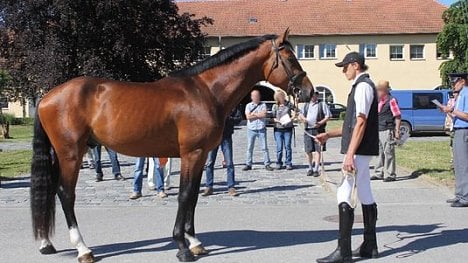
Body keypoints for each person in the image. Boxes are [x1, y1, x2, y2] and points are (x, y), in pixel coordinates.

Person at [316, 52, 379, 263]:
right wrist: (329, 134)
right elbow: (352, 125)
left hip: (359, 151)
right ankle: (370, 246)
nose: (344, 71)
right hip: (362, 149)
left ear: (355, 65)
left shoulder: (362, 87)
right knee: (365, 194)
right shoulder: (362, 86)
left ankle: (343, 251)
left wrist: (350, 154)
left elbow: (360, 123)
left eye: (345, 67)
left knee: (344, 193)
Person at [441, 72, 468, 208]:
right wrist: (448, 110)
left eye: (455, 82)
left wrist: (453, 110)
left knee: (463, 165)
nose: (452, 85)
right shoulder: (461, 95)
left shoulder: (467, 94)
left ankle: (465, 197)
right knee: (458, 165)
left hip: (464, 131)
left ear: (462, 81)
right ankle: (459, 194)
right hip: (458, 130)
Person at [202, 108, 242, 197]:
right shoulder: (213, 105)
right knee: (209, 163)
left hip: (226, 137)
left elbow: (238, 119)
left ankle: (231, 187)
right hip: (213, 137)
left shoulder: (232, 106)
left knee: (229, 163)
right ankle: (209, 186)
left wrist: (228, 118)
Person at [372, 80, 401, 182]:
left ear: (386, 90)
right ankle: (378, 172)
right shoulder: (377, 101)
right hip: (377, 129)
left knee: (388, 152)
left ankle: (390, 174)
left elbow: (397, 116)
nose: (378, 92)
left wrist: (397, 130)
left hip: (387, 129)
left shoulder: (391, 100)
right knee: (378, 152)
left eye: (380, 90)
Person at [299, 91, 332, 177]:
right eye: (312, 95)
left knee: (318, 149)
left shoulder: (322, 104)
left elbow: (328, 116)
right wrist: (303, 119)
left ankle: (316, 168)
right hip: (308, 130)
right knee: (308, 150)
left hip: (319, 129)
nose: (314, 96)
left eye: (315, 95)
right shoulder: (306, 105)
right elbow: (300, 114)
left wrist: (320, 123)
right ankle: (310, 167)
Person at [243, 90, 274, 171]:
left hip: (261, 128)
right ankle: (248, 164)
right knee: (250, 147)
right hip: (251, 129)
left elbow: (264, 115)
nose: (256, 97)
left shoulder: (263, 105)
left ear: (259, 97)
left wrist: (253, 114)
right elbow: (248, 117)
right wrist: (258, 115)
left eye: (257, 96)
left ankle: (267, 164)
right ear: (251, 97)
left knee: (264, 147)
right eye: (254, 96)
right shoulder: (248, 105)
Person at [272, 90, 295, 170]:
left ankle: (288, 162)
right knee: (279, 147)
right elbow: (273, 118)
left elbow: (296, 111)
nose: (281, 98)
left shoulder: (289, 104)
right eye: (279, 96)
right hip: (278, 129)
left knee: (288, 146)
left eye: (282, 96)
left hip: (288, 128)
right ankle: (279, 162)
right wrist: (279, 121)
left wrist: (291, 118)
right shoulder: (275, 106)